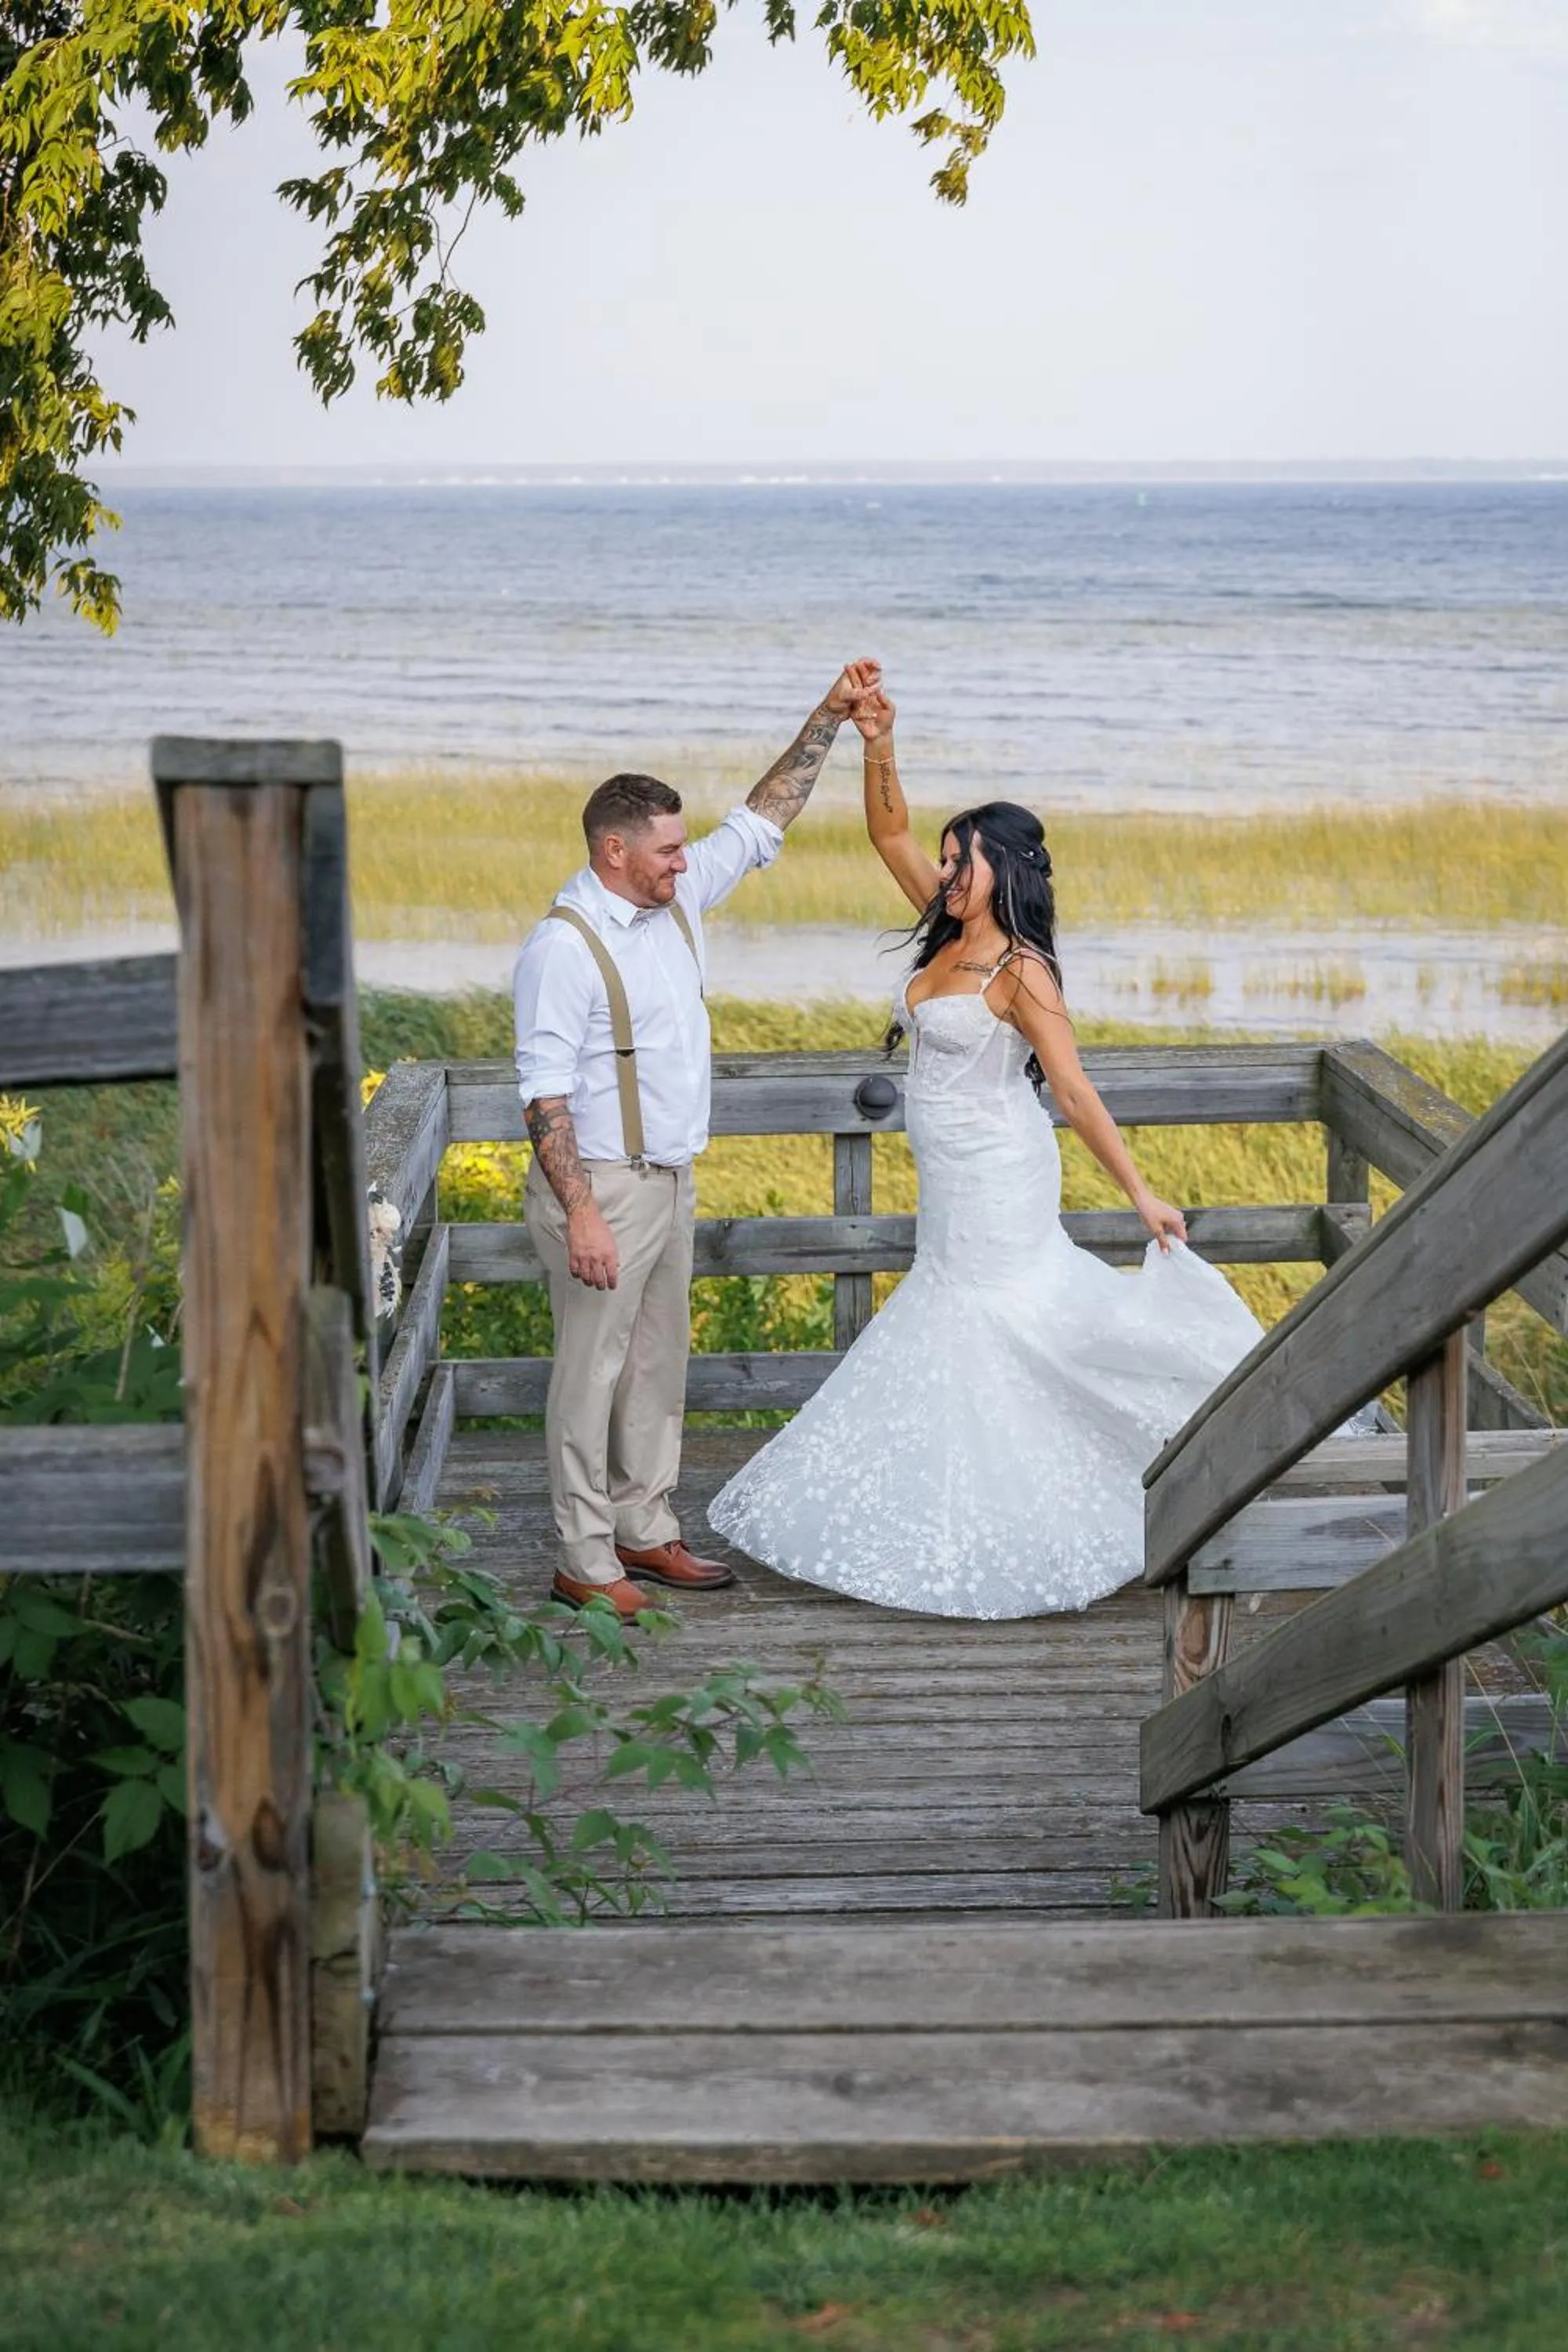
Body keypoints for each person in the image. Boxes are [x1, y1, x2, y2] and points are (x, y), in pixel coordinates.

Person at [706, 683, 1266, 1620]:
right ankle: (948, 1503)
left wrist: (1139, 1197)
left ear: (1000, 868)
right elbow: (886, 835)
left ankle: (1147, 1461)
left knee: (996, 1317)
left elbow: (1075, 1092)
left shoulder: (1020, 970)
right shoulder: (946, 931)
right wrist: (876, 741)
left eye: (959, 861)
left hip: (1001, 1171)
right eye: (944, 859)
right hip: (949, 1175)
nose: (942, 871)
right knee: (963, 1317)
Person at [514, 662, 883, 1617]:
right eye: (668, 850)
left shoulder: (671, 902)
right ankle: (582, 1558)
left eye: (683, 848)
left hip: (669, 1181)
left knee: (654, 1366)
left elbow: (762, 822)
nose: (686, 861)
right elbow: (542, 1097)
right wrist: (582, 1214)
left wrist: (829, 719)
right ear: (613, 850)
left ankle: (644, 1530)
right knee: (587, 1376)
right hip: (597, 1186)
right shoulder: (562, 947)